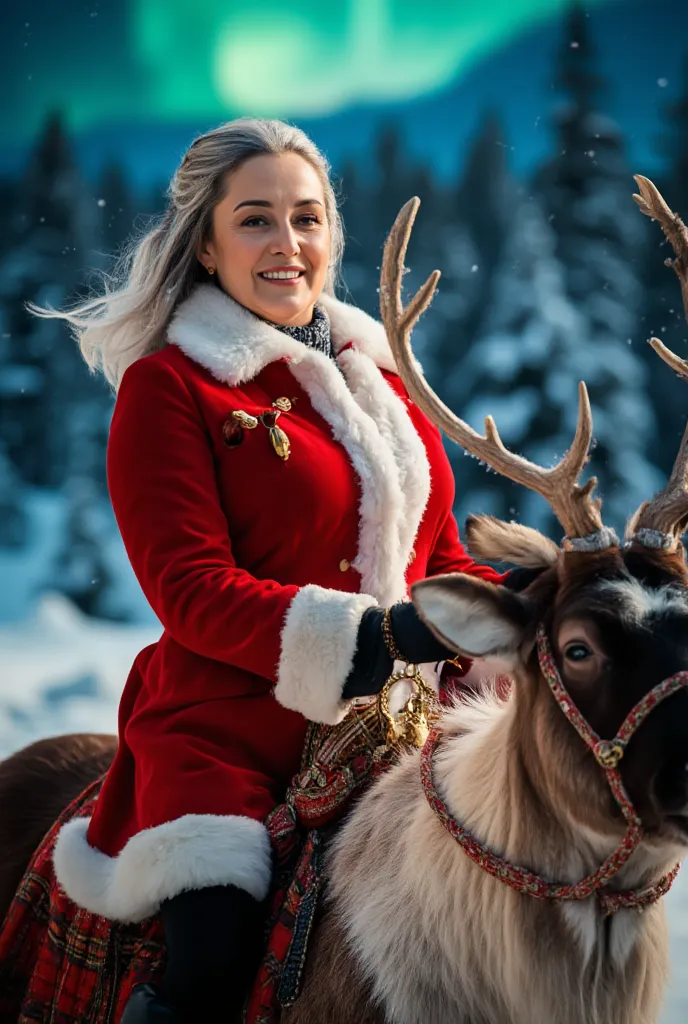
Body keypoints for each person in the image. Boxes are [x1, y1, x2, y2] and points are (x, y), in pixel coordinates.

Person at [41, 118, 504, 1022]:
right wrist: (375, 638)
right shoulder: (170, 387)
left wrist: (517, 613)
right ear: (205, 245)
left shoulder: (380, 380)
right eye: (255, 220)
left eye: (308, 218)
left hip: (403, 736)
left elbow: (436, 556)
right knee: (213, 951)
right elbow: (189, 588)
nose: (288, 245)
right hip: (227, 737)